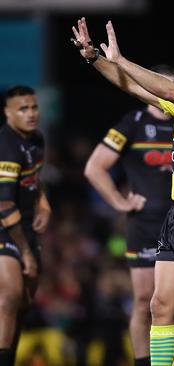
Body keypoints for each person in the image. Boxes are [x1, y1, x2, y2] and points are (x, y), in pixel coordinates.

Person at [72, 17, 174, 365]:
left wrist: (121, 59)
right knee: (160, 305)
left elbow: (164, 89)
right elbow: (134, 88)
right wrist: (94, 58)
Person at [84, 64, 174, 366]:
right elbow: (94, 167)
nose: (165, 93)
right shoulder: (132, 123)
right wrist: (119, 202)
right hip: (145, 224)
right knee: (145, 301)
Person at [0, 85, 50, 365]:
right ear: (8, 113)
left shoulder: (36, 139)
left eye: (34, 107)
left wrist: (43, 201)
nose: (30, 114)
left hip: (26, 228)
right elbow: (4, 205)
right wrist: (26, 253)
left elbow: (34, 178)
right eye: (23, 109)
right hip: (5, 228)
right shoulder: (5, 146)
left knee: (24, 304)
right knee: (9, 296)